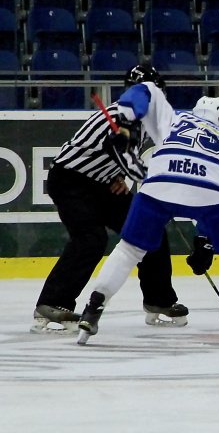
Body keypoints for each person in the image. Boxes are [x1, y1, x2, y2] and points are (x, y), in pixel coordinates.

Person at [76, 91, 219, 345]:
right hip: (209, 188)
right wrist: (205, 240)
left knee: (129, 250)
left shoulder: (174, 118)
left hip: (160, 183)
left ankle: (92, 309)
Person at [31, 65, 187, 334]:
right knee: (90, 238)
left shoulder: (144, 121)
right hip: (70, 181)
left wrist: (120, 176)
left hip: (102, 183)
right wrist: (152, 181)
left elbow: (124, 158)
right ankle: (52, 303)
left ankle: (159, 300)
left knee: (149, 228)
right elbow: (121, 153)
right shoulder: (118, 116)